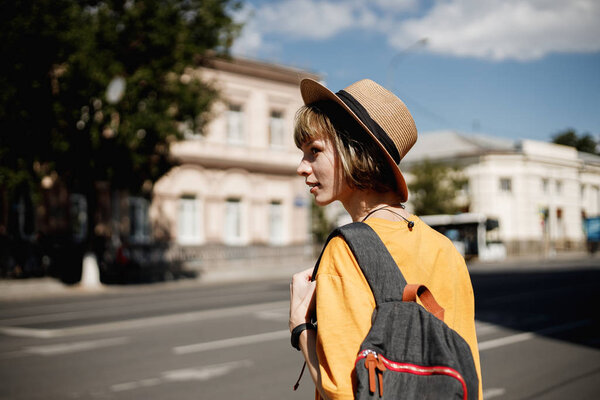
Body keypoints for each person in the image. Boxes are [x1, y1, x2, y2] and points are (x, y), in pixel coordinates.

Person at [289, 78, 482, 400]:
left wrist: (300, 327)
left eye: (314, 151)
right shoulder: (444, 248)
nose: (301, 167)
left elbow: (343, 390)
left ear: (355, 152)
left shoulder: (346, 249)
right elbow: (468, 372)